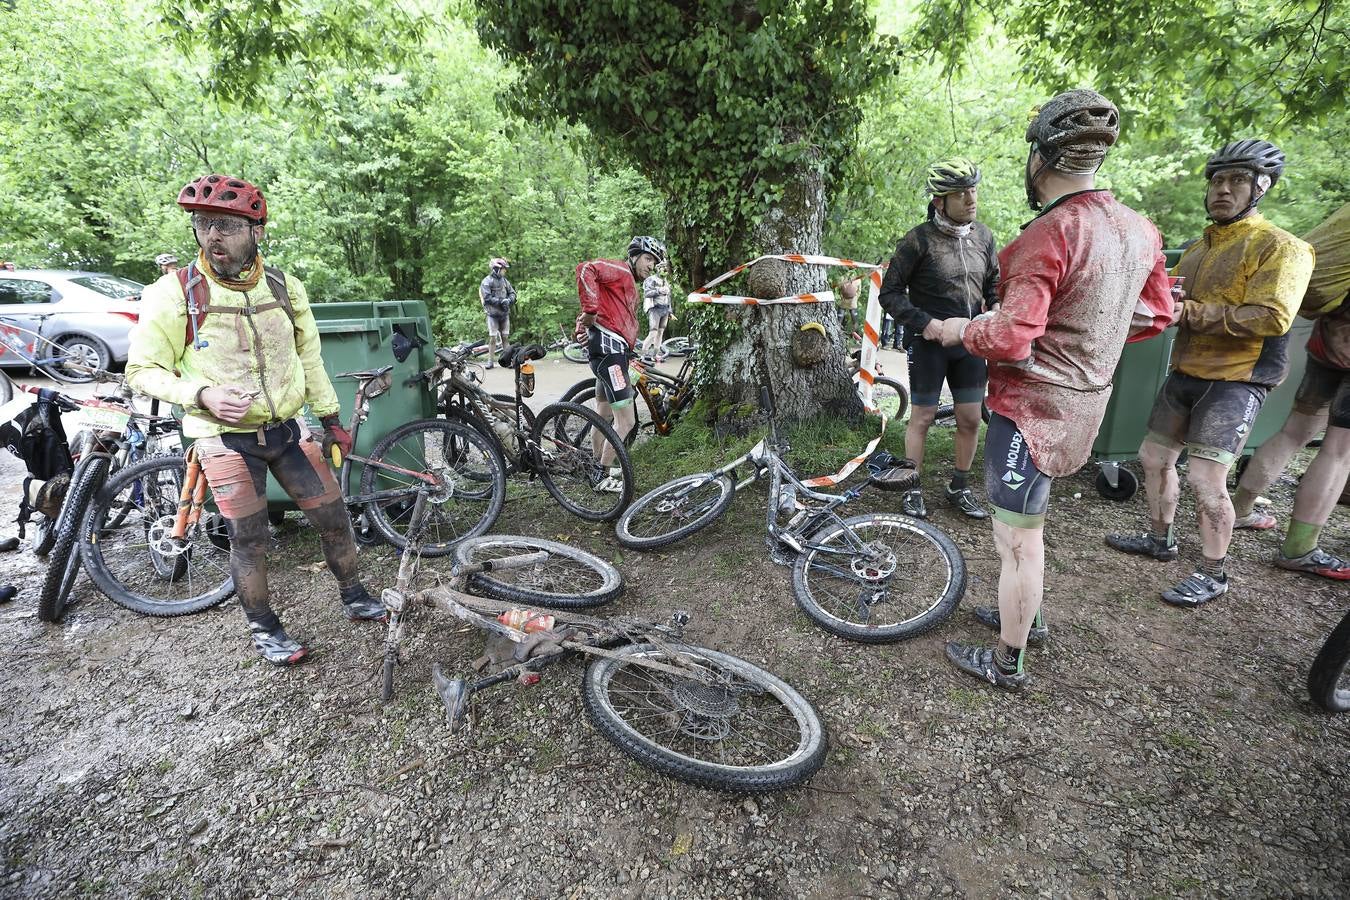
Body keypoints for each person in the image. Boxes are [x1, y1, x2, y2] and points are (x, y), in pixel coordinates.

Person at [936, 89, 1174, 688]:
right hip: (1086, 402)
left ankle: (1008, 659)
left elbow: (1013, 337)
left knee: (1017, 538)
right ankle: (1028, 617)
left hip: (1030, 407)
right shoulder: (1140, 229)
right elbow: (1154, 315)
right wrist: (1093, 335)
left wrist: (958, 329)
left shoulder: (1048, 234)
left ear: (1038, 160)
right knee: (1029, 526)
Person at [126, 173, 383, 666]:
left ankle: (355, 596)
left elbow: (309, 358)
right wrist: (200, 392)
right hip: (223, 438)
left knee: (334, 520)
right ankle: (265, 628)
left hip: (286, 430)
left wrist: (331, 418)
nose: (213, 237)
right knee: (250, 538)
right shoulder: (174, 291)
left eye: (227, 225)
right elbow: (142, 371)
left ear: (256, 231)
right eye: (203, 225)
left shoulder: (285, 286)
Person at [1106, 140, 1314, 606]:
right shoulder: (1200, 247)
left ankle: (1214, 572)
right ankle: (1160, 540)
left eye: (1237, 180)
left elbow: (1273, 317)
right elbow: (1172, 298)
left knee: (1205, 478)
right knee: (1154, 460)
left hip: (1238, 381)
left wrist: (1190, 313)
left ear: (1262, 186)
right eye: (1217, 180)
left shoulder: (1282, 247)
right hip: (1185, 372)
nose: (1223, 189)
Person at [1227, 203, 1350, 579]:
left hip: (1329, 336)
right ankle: (1299, 547)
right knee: (1339, 450)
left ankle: (1240, 510)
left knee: (1295, 431)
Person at [878, 157, 1000, 520]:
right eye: (961, 194)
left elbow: (994, 283)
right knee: (922, 417)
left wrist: (994, 307)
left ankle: (958, 487)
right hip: (928, 344)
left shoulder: (984, 236)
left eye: (973, 190)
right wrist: (926, 323)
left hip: (970, 343)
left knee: (969, 419)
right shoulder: (917, 240)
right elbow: (890, 293)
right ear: (939, 201)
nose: (970, 199)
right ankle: (911, 487)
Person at [576, 236, 665, 492]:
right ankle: (600, 475)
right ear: (635, 255)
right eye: (648, 259)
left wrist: (585, 321)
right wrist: (589, 311)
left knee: (603, 415)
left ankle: (594, 465)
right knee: (626, 421)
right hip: (610, 355)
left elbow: (607, 314)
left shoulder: (627, 282)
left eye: (655, 262)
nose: (651, 266)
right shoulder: (620, 270)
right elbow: (586, 269)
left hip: (612, 354)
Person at [479, 257, 515, 368]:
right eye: (504, 269)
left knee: (505, 337)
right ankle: (490, 361)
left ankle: (508, 361)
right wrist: (501, 301)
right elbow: (487, 298)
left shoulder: (505, 281)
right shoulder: (486, 281)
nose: (505, 271)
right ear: (496, 269)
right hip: (492, 315)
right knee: (493, 338)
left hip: (504, 314)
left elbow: (512, 293)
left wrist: (509, 300)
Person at [641, 260, 675, 359]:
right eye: (662, 267)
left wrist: (670, 311)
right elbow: (647, 293)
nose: (665, 269)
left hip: (665, 309)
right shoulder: (651, 279)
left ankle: (655, 354)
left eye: (666, 267)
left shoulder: (667, 282)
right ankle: (643, 355)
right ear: (658, 268)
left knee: (660, 333)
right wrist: (658, 290)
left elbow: (669, 298)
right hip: (654, 309)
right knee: (653, 333)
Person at [836, 272, 860, 338]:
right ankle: (838, 334)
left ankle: (837, 335)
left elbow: (838, 290)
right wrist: (855, 298)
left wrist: (840, 297)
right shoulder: (857, 279)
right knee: (853, 320)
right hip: (848, 302)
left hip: (846, 301)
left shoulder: (842, 278)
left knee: (841, 320)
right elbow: (859, 291)